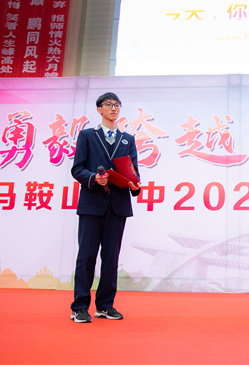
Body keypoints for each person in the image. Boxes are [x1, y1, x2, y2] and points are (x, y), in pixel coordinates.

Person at [70, 92, 141, 323]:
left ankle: (105, 306)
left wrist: (135, 184)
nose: (114, 108)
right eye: (109, 105)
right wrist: (94, 178)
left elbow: (133, 171)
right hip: (92, 204)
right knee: (87, 256)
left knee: (111, 258)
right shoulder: (87, 136)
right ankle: (80, 307)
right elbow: (77, 168)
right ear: (99, 109)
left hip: (117, 206)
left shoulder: (127, 139)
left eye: (117, 105)